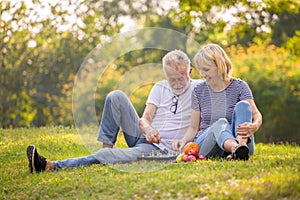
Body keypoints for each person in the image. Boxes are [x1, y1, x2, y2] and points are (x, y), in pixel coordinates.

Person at [27, 49, 203, 173]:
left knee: (110, 154)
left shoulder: (200, 88)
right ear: (165, 75)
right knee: (115, 96)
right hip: (145, 138)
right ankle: (107, 151)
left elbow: (225, 84)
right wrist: (149, 130)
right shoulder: (160, 87)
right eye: (172, 79)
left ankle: (52, 165)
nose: (177, 83)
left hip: (161, 151)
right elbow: (145, 119)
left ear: (190, 71)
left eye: (181, 78)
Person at [172, 44, 262, 160]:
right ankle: (236, 149)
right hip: (208, 145)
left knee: (244, 105)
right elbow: (194, 128)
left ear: (219, 65)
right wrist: (183, 141)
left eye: (206, 69)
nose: (202, 74)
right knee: (220, 123)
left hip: (241, 141)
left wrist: (254, 126)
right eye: (200, 69)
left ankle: (241, 147)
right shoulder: (198, 91)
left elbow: (256, 115)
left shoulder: (240, 86)